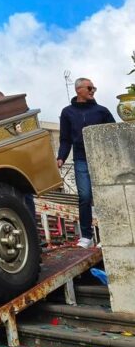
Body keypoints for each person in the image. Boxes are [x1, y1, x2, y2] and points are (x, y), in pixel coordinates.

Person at [57, 77, 115, 249]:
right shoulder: (67, 112)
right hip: (81, 159)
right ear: (78, 90)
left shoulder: (102, 111)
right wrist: (61, 157)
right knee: (85, 197)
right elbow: (65, 139)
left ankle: (107, 234)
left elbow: (113, 133)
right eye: (89, 88)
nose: (92, 91)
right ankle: (87, 237)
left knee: (103, 196)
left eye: (94, 88)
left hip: (101, 159)